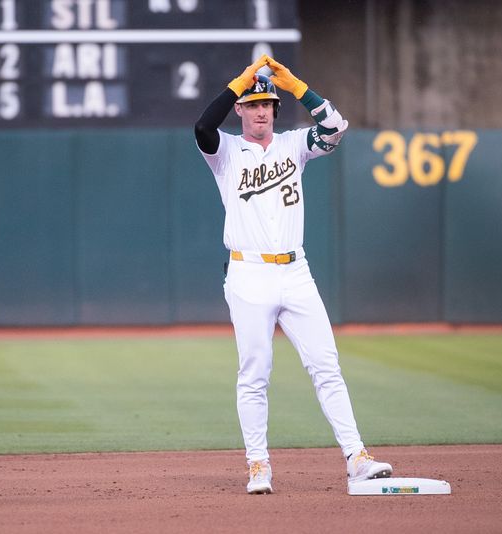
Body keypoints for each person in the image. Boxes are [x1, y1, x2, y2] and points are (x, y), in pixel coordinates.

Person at [194, 55, 392, 494]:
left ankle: (357, 457)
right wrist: (240, 82)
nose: (261, 109)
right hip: (248, 274)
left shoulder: (293, 144)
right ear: (241, 110)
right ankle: (258, 465)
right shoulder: (226, 152)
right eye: (253, 103)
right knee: (255, 372)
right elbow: (202, 128)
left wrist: (299, 87)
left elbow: (336, 128)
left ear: (275, 111)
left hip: (295, 270)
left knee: (326, 366)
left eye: (267, 102)